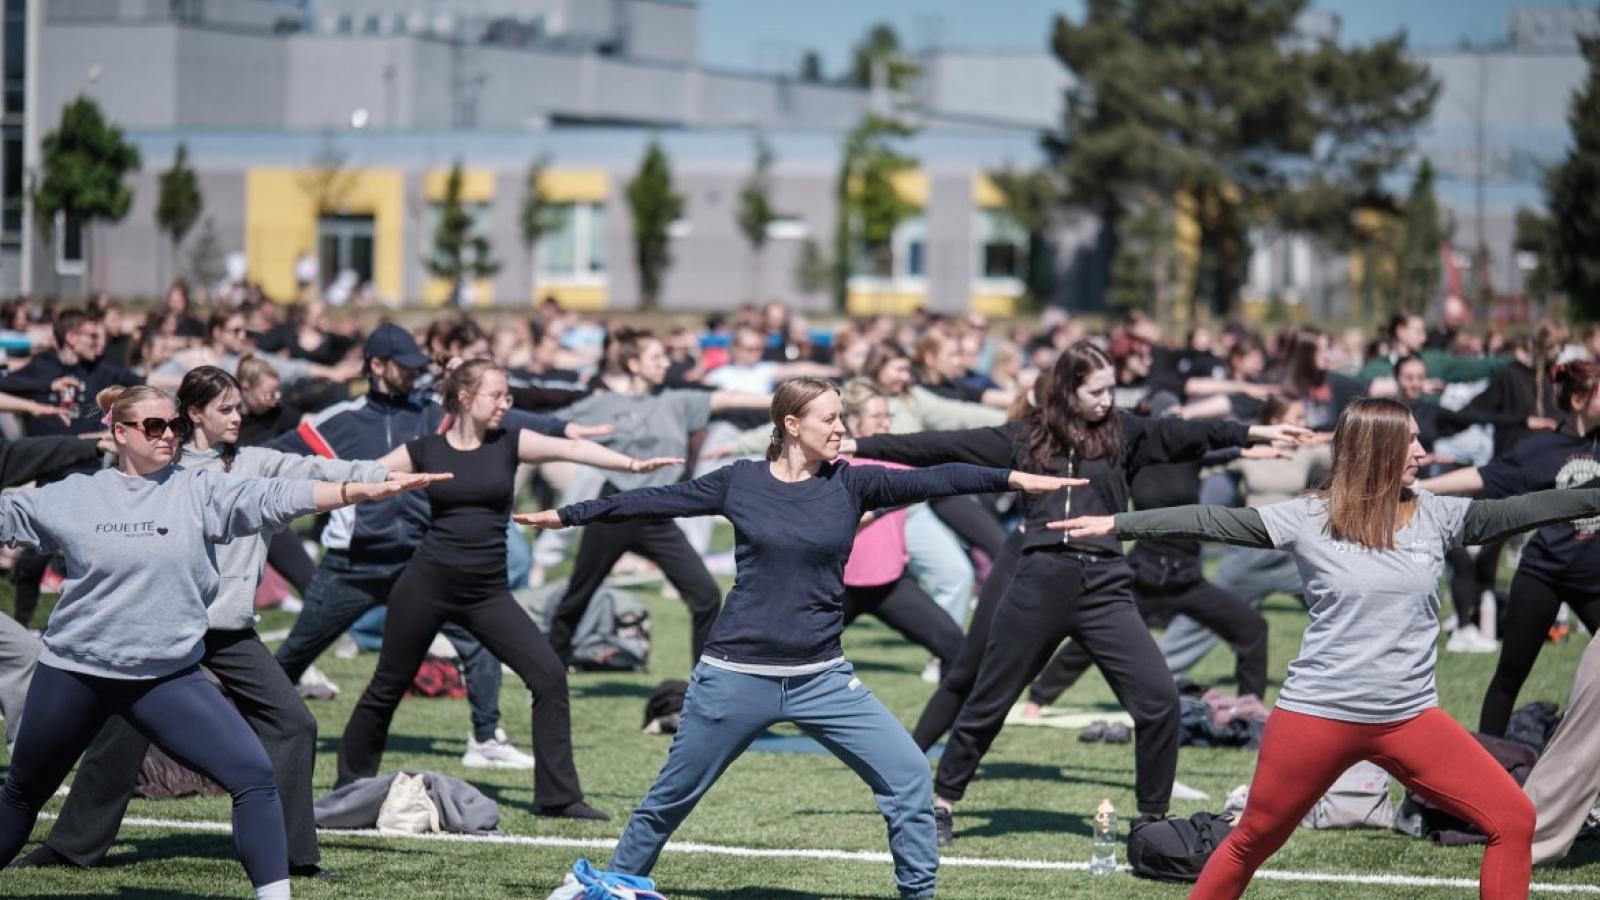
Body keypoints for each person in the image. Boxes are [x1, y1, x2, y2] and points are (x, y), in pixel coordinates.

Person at [519, 376, 1081, 900]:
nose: (842, 429)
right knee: (670, 797)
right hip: (735, 675)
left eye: (842, 419)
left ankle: (919, 893)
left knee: (909, 774)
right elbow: (651, 501)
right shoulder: (740, 481)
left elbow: (936, 477)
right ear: (791, 425)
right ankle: (616, 884)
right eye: (830, 420)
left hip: (821, 677)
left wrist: (1010, 478)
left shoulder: (853, 482)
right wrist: (568, 515)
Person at [1051, 397, 1600, 899]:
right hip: (1317, 716)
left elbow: (1528, 508)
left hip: (1408, 720)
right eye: (1409, 441)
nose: (1422, 451)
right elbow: (1209, 519)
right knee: (1251, 841)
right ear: (1377, 448)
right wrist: (1117, 523)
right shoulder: (1310, 518)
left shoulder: (1438, 515)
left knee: (1514, 818)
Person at [846, 342, 1307, 845]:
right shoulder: (1024, 437)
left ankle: (1152, 820)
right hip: (1039, 580)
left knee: (1159, 702)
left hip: (1105, 585)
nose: (1109, 399)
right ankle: (942, 802)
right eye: (1098, 390)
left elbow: (1184, 434)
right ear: (1068, 390)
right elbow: (940, 445)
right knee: (989, 700)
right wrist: (860, 447)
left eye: (1111, 388)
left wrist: (1252, 431)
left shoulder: (1124, 433)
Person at [0, 384, 442, 900]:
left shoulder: (199, 489)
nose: (168, 436)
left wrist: (359, 490)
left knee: (253, 774)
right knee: (23, 792)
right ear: (118, 433)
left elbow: (276, 496)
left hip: (163, 676)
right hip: (75, 670)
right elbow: (10, 517)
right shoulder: (73, 495)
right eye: (153, 427)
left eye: (173, 426)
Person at [337, 358, 680, 819]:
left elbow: (574, 451)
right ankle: (349, 787)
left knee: (549, 677)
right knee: (387, 685)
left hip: (487, 592)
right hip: (427, 584)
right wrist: (357, 484)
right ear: (464, 399)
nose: (505, 404)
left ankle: (559, 797)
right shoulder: (424, 448)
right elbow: (361, 476)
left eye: (508, 396)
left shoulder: (511, 443)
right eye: (496, 396)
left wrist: (633, 465)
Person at [269, 324, 574, 768]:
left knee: (477, 645)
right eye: (404, 367)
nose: (413, 375)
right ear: (376, 367)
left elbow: (507, 420)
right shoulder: (339, 420)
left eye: (418, 366)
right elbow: (275, 459)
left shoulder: (434, 413)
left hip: (422, 562)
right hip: (353, 564)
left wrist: (565, 427)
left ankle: (486, 739)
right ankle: (252, 730)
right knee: (294, 655)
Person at [547, 328, 769, 666]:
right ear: (634, 364)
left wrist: (787, 401)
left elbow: (728, 397)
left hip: (658, 515)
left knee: (706, 596)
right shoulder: (603, 404)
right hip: (614, 511)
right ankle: (549, 668)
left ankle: (703, 680)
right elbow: (549, 426)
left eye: (664, 357)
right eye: (656, 358)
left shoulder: (676, 401)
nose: (665, 363)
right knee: (578, 596)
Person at [1417, 359, 1600, 736]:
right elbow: (1482, 477)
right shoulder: (1541, 448)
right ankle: (1489, 761)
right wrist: (1420, 489)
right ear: (1579, 400)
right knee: (1508, 678)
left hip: (1594, 580)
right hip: (1543, 576)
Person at [837, 379, 964, 669]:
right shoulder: (833, 467)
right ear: (853, 422)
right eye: (876, 417)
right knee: (784, 656)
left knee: (958, 649)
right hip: (835, 588)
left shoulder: (896, 461)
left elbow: (941, 473)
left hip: (891, 584)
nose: (884, 423)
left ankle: (955, 715)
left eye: (888, 417)